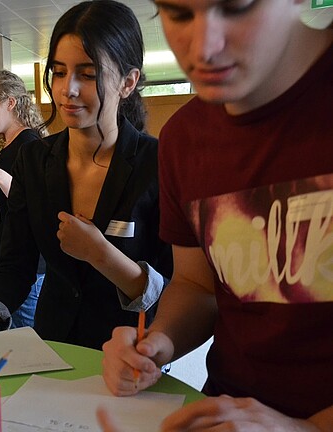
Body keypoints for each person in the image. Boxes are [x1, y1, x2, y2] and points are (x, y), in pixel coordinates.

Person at [100, 0, 333, 429]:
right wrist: (159, 343)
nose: (205, 48)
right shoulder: (184, 138)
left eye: (237, 7)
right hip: (222, 411)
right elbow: (197, 284)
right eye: (178, 13)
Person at [0, 0, 172, 350]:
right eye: (59, 72)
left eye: (87, 74)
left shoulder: (157, 162)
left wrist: (101, 253)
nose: (67, 89)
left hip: (130, 352)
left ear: (128, 82)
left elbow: (178, 289)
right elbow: (17, 262)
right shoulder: (35, 159)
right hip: (54, 346)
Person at [0, 69, 48, 328]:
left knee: (25, 343)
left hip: (27, 268)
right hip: (7, 261)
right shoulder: (6, 145)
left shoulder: (31, 145)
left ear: (10, 103)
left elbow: (36, 203)